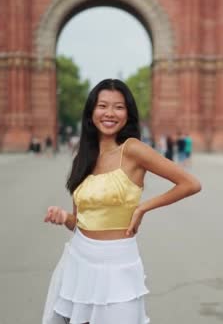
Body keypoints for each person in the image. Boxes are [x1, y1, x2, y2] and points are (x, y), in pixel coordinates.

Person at [42, 79, 201, 324]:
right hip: (79, 263)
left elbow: (190, 183)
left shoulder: (133, 149)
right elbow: (80, 223)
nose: (109, 113)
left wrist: (143, 208)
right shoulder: (83, 157)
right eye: (102, 106)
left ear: (128, 114)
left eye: (118, 107)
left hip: (119, 266)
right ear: (91, 112)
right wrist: (64, 217)